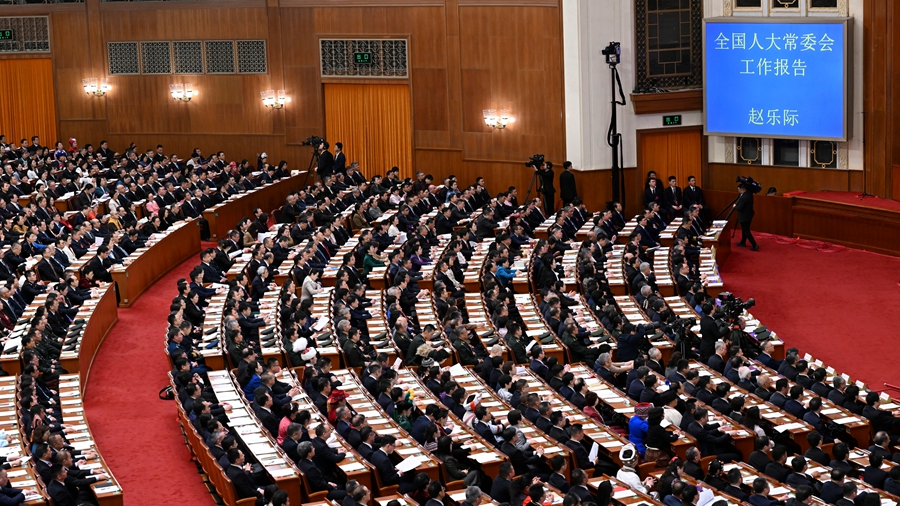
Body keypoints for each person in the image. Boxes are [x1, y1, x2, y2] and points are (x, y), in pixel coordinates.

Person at [733, 183, 758, 250]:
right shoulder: (749, 193)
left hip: (744, 216)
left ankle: (754, 244)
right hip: (749, 214)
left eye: (738, 189)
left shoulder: (744, 197)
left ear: (742, 189)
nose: (738, 190)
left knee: (746, 230)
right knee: (745, 229)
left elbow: (740, 208)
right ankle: (743, 242)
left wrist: (735, 206)